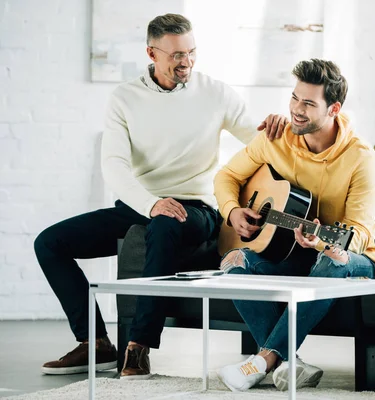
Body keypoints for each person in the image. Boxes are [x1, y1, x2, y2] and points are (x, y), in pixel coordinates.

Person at [34, 13, 288, 380]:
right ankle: (95, 342)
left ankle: (138, 347)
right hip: (142, 204)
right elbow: (115, 165)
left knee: (167, 222)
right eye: (175, 54)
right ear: (152, 53)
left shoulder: (215, 92)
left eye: (191, 52)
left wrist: (279, 128)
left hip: (196, 207)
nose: (185, 61)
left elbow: (257, 140)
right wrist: (150, 203)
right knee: (50, 243)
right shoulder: (125, 98)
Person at [213, 58, 375, 392]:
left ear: (334, 108)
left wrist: (321, 242)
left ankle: (262, 360)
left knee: (331, 257)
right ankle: (291, 364)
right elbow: (227, 176)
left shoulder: (361, 158)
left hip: (349, 260)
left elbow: (360, 236)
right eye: (294, 98)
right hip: (291, 252)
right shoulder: (275, 139)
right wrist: (233, 211)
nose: (296, 109)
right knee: (232, 260)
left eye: (308, 103)